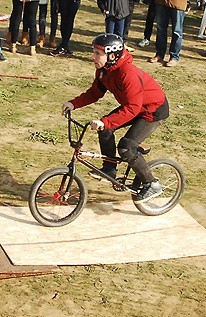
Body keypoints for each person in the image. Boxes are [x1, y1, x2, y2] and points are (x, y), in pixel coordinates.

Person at [62, 33, 169, 203]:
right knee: (106, 129)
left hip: (152, 110)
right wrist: (73, 104)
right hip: (134, 105)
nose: (93, 57)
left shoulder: (127, 74)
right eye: (93, 52)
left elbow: (133, 108)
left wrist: (105, 122)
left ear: (112, 55)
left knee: (126, 147)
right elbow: (95, 93)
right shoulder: (104, 70)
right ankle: (109, 169)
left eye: (98, 53)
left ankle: (151, 184)